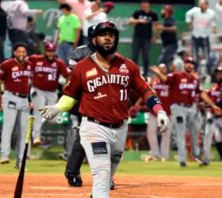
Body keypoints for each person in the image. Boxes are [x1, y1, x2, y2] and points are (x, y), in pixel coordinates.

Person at [39, 21, 169, 198]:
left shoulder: (128, 66)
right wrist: (57, 107)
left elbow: (145, 90)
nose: (107, 38)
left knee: (107, 179)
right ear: (95, 39)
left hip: (120, 128)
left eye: (111, 34)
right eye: (103, 34)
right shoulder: (82, 68)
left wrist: (160, 110)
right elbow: (70, 96)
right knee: (102, 172)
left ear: (116, 39)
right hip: (94, 127)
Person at [151, 56, 222, 167]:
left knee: (195, 133)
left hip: (192, 108)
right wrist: (158, 73)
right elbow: (165, 79)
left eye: (191, 63)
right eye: (187, 63)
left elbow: (201, 93)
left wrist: (213, 105)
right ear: (184, 64)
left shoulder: (194, 80)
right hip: (179, 108)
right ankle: (182, 160)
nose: (189, 65)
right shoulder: (176, 75)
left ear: (194, 65)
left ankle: (195, 154)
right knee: (180, 133)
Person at [64, 25, 96, 187]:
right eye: (99, 34)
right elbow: (73, 72)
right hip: (83, 97)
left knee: (107, 139)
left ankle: (104, 176)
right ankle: (72, 172)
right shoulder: (81, 51)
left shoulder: (109, 54)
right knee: (82, 137)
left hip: (103, 99)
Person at [0, 43, 32, 169]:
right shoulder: (7, 64)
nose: (21, 54)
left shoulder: (29, 65)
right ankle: (4, 155)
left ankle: (21, 162)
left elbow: (30, 83)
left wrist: (30, 99)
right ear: (15, 52)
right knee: (8, 127)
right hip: (10, 96)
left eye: (23, 51)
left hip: (24, 99)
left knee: (24, 132)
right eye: (19, 51)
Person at [29, 42, 70, 145]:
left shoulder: (59, 63)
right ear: (45, 51)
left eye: (52, 51)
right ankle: (36, 137)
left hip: (52, 92)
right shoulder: (35, 59)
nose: (51, 53)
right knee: (38, 113)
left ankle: (35, 124)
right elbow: (24, 64)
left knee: (53, 118)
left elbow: (68, 76)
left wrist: (66, 86)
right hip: (38, 90)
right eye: (49, 51)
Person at [143, 63, 172, 161]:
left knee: (166, 134)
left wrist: (158, 72)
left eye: (163, 69)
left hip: (167, 111)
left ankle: (164, 155)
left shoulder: (169, 80)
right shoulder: (153, 81)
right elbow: (147, 93)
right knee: (150, 132)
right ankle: (155, 154)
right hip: (153, 112)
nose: (161, 70)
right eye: (160, 69)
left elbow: (164, 79)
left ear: (166, 70)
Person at [128, 0, 158, 78]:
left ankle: (145, 73)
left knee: (146, 56)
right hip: (137, 37)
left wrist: (155, 36)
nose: (144, 4)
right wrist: (139, 20)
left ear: (148, 4)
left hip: (147, 39)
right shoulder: (137, 13)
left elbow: (156, 26)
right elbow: (130, 21)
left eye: (145, 3)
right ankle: (133, 73)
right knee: (135, 56)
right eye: (142, 3)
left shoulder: (153, 14)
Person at [185, 0, 216, 75]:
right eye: (200, 4)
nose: (201, 5)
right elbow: (187, 14)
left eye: (202, 4)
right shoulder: (195, 11)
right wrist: (189, 23)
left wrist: (214, 27)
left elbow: (214, 22)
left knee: (207, 57)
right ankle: (195, 74)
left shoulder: (211, 13)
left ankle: (210, 75)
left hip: (205, 37)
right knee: (194, 57)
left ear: (207, 5)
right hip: (195, 36)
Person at [201, 66, 222, 166]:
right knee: (208, 135)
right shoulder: (214, 86)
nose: (218, 75)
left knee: (219, 138)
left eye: (220, 73)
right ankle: (206, 159)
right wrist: (211, 105)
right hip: (212, 115)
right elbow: (205, 96)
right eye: (217, 73)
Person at [156, 5, 178, 71]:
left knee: (162, 61)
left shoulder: (170, 19)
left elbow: (174, 28)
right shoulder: (165, 20)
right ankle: (168, 76)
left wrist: (163, 28)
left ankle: (167, 77)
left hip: (171, 45)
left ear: (167, 12)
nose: (162, 12)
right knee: (165, 61)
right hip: (166, 45)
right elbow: (162, 32)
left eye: (163, 10)